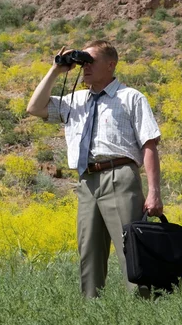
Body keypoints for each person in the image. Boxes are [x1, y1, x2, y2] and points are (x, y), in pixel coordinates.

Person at [26, 39, 163, 298]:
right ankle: (93, 314)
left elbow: (149, 145)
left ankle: (143, 312)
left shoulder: (131, 97)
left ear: (111, 65)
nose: (84, 66)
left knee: (131, 249)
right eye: (82, 61)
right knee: (88, 251)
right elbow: (34, 108)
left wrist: (154, 191)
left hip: (119, 176)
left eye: (91, 61)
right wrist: (56, 70)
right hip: (86, 181)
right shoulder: (75, 100)